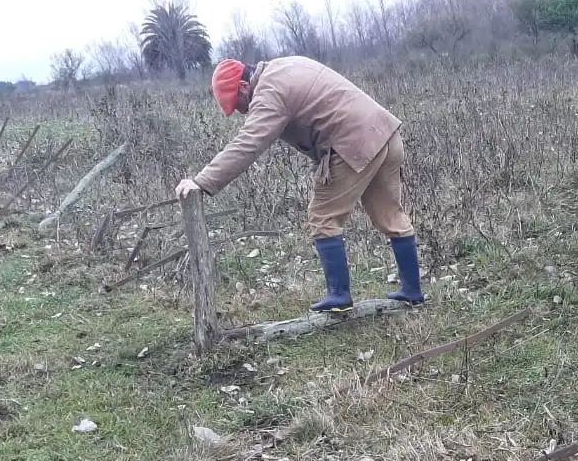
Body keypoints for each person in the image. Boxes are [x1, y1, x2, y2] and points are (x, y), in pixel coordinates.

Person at [175, 57, 422, 314]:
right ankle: (412, 291)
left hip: (354, 143)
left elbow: (249, 143)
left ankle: (339, 297)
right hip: (386, 134)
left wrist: (201, 182)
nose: (241, 111)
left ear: (243, 86)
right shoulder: (286, 66)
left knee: (323, 216)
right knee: (390, 215)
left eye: (238, 105)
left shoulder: (270, 91)